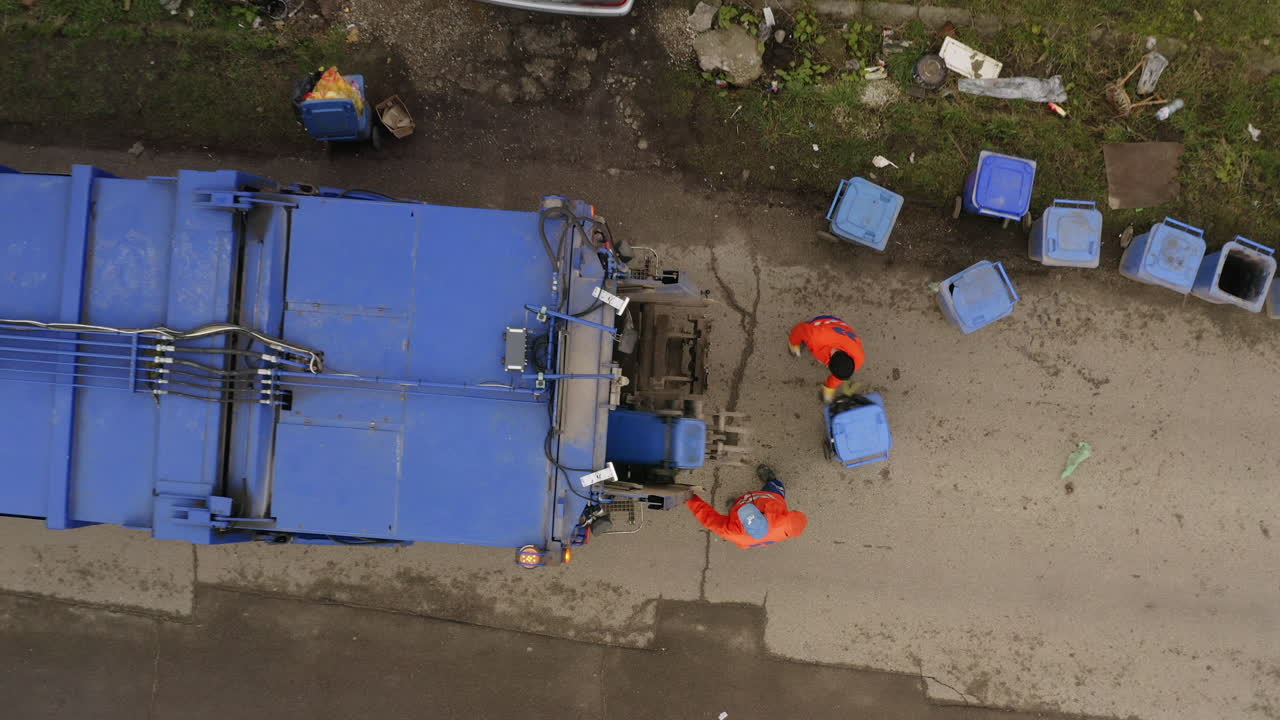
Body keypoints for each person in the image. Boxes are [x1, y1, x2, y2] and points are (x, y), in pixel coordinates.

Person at [685, 465, 808, 549]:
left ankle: (735, 506)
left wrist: (688, 497)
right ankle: (771, 481)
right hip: (767, 497)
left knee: (737, 507)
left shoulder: (732, 531)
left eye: (744, 512)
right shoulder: (782, 515)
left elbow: (707, 517)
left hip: (757, 500)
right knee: (775, 488)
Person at [788, 315, 865, 403]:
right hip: (824, 322)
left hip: (842, 329)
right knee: (806, 336)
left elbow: (839, 375)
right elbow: (800, 329)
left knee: (838, 367)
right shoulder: (815, 337)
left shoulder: (858, 361)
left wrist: (829, 388)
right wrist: (794, 343)